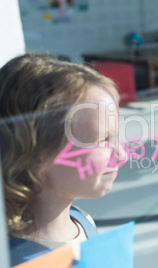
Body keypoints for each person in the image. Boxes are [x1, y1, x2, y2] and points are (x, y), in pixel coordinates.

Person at [0, 54, 127, 266]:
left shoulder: (83, 221)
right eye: (103, 141)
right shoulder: (15, 260)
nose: (122, 154)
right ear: (37, 153)